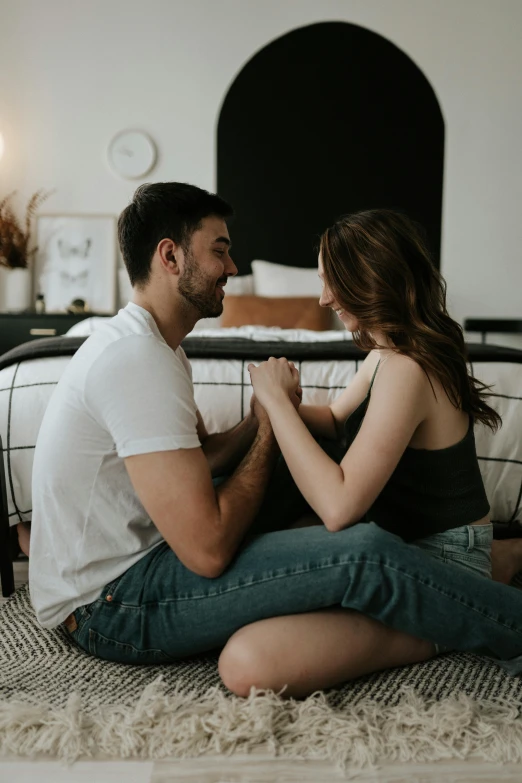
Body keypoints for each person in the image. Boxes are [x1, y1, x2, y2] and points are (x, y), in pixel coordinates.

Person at [25, 184, 522, 701]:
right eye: (219, 250)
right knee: (342, 544)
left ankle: (477, 602)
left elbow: (226, 462)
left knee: (323, 514)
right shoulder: (137, 358)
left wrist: (271, 411)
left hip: (129, 569)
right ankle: (460, 587)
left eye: (333, 282)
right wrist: (273, 413)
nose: (233, 266)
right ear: (170, 256)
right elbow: (212, 544)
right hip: (111, 600)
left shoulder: (151, 347)